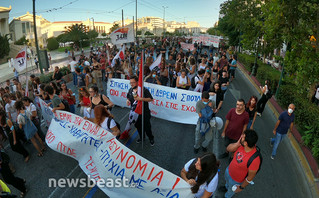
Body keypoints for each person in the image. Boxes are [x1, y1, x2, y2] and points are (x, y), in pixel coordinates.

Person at [223, 129, 261, 198]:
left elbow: (250, 177)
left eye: (243, 136)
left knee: (230, 192)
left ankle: (226, 196)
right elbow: (228, 149)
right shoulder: (241, 145)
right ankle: (226, 187)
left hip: (236, 181)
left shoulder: (255, 160)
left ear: (246, 143)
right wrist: (237, 144)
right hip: (229, 171)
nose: (241, 136)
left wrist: (241, 187)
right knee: (227, 183)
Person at [126, 75, 155, 146]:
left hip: (144, 112)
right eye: (130, 83)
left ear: (137, 82)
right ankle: (142, 137)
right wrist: (128, 100)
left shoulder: (143, 90)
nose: (131, 84)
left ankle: (151, 138)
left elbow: (151, 99)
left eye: (133, 82)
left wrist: (141, 99)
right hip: (135, 113)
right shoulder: (130, 90)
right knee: (138, 126)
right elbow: (128, 97)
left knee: (147, 127)